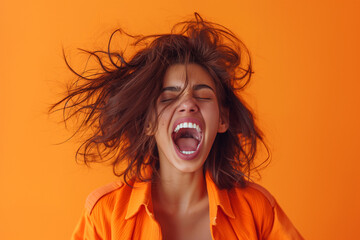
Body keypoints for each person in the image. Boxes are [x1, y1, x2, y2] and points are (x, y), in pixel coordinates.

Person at [52, 13, 304, 240]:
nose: (188, 104)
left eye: (203, 95)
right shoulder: (105, 215)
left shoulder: (257, 210)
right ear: (149, 122)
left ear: (222, 120)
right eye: (170, 97)